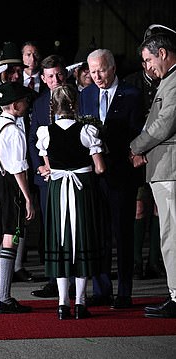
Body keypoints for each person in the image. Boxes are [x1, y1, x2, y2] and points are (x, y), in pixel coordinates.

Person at [79, 48, 144, 309]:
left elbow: (138, 133)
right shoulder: (86, 95)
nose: (97, 76)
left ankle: (125, 293)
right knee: (100, 234)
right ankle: (102, 289)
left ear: (113, 68)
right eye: (92, 71)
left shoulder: (131, 95)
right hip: (95, 178)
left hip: (123, 175)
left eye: (101, 70)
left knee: (123, 234)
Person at [36, 85, 106, 319]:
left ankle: (62, 303)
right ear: (75, 105)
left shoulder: (45, 132)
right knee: (81, 240)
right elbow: (100, 168)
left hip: (57, 190)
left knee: (61, 242)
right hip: (81, 189)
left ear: (53, 107)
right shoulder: (87, 131)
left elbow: (48, 167)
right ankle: (80, 303)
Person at [0, 81, 35, 314]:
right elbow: (19, 169)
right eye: (24, 100)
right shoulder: (15, 131)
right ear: (15, 105)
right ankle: (4, 298)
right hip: (11, 184)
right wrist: (28, 197)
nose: (27, 104)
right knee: (10, 238)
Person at [130, 25, 176, 318]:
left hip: (171, 168)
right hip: (166, 168)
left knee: (172, 235)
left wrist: (135, 147)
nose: (147, 67)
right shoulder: (168, 81)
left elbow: (164, 123)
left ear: (162, 53)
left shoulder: (173, 82)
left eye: (148, 60)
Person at [28, 54, 71, 298]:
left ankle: (75, 278)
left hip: (73, 176)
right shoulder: (40, 103)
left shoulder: (78, 98)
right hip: (47, 179)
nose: (56, 79)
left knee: (72, 229)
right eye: (51, 76)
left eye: (59, 74)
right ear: (43, 79)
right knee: (50, 230)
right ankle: (54, 280)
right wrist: (38, 167)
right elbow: (33, 139)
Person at [124, 58, 164, 280]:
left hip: (160, 154)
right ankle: (137, 262)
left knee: (160, 207)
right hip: (137, 154)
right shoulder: (132, 83)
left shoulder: (166, 81)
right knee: (139, 208)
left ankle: (154, 261)